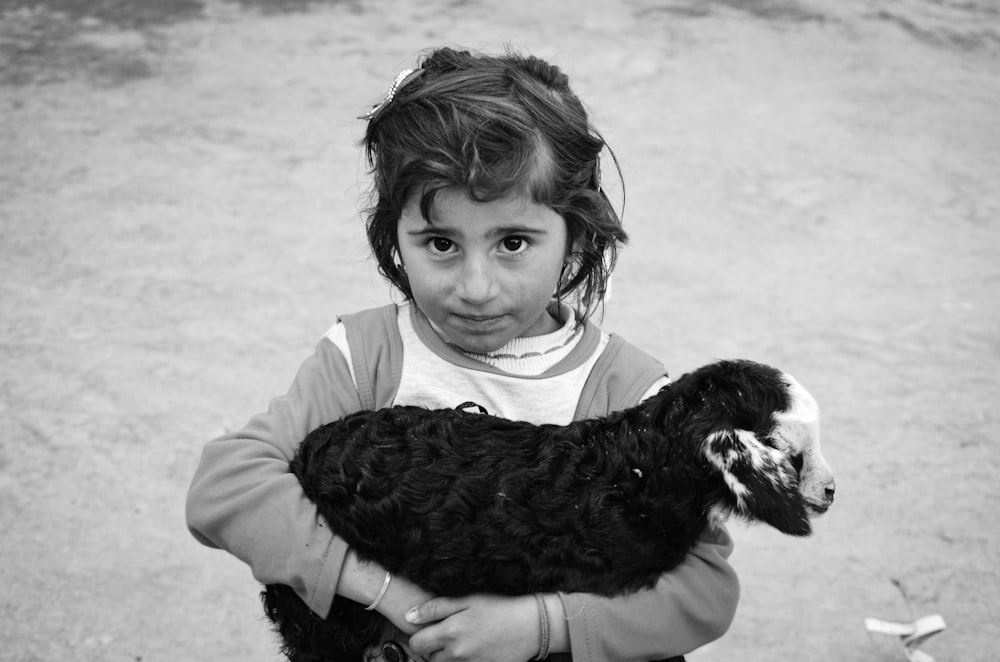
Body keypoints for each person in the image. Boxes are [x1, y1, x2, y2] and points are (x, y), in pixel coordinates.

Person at [186, 46, 740, 662]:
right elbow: (226, 487)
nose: (476, 287)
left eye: (513, 242)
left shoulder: (624, 391)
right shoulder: (368, 357)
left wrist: (540, 625)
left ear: (575, 234)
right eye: (441, 242)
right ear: (392, 234)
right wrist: (386, 593)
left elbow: (703, 588)